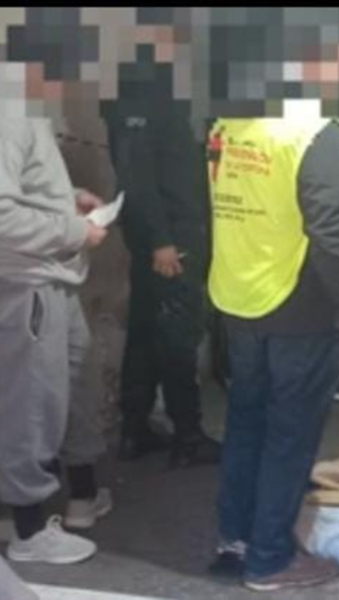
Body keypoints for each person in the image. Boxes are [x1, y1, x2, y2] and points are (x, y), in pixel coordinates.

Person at [206, 113, 339, 592]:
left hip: (240, 298)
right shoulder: (313, 134)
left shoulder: (227, 126)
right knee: (289, 434)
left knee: (246, 424)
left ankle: (235, 540)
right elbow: (332, 237)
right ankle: (270, 558)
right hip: (300, 308)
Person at [103, 55, 221, 468]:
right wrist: (161, 241)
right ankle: (187, 435)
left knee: (147, 330)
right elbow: (137, 177)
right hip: (169, 240)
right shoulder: (142, 97)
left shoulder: (151, 93)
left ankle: (135, 430)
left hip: (161, 237)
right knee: (177, 335)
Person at [0, 114, 108, 564]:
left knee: (75, 384)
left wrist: (69, 200)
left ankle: (81, 495)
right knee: (32, 402)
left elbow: (25, 188)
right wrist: (76, 230)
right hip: (27, 280)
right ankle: (27, 529)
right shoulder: (9, 113)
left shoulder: (22, 108)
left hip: (51, 276)